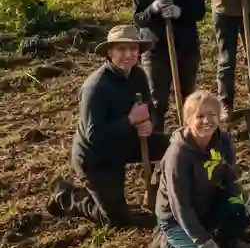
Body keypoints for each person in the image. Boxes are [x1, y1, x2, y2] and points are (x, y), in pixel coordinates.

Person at [48, 25, 171, 226]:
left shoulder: (138, 75)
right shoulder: (96, 87)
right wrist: (130, 120)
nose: (128, 55)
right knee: (115, 219)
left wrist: (149, 124)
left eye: (133, 49)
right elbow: (94, 136)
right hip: (97, 157)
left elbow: (148, 110)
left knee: (174, 146)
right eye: (121, 49)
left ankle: (164, 190)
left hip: (126, 140)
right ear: (109, 52)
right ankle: (68, 195)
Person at [151, 90, 250, 248]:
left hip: (206, 205)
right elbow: (181, 207)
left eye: (213, 115)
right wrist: (204, 242)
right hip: (176, 220)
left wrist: (242, 196)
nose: (207, 121)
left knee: (238, 207)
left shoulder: (223, 141)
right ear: (188, 120)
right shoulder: (178, 155)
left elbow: (230, 177)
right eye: (199, 116)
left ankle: (227, 241)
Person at [131, 0, 206, 133]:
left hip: (186, 48)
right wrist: (154, 8)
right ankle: (157, 143)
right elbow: (138, 19)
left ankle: (190, 137)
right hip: (156, 51)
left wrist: (179, 11)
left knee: (187, 97)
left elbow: (200, 11)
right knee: (157, 100)